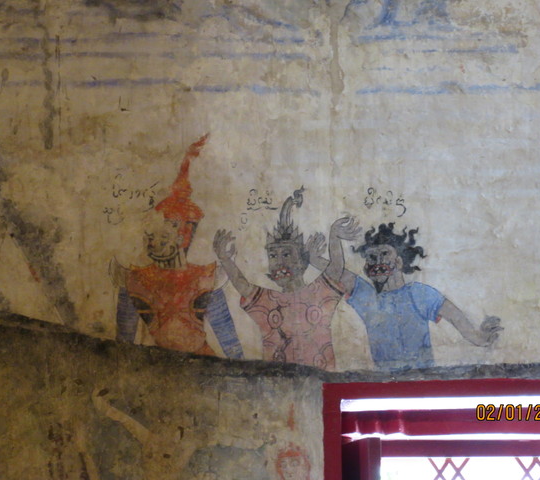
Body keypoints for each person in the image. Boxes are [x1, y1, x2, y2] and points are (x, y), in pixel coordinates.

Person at [110, 134, 242, 358]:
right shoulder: (135, 280)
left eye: (163, 238)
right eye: (150, 238)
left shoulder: (205, 278)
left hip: (202, 362)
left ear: (182, 239)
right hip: (157, 364)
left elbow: (229, 341)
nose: (153, 245)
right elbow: (123, 342)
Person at [308, 222, 502, 370]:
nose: (378, 261)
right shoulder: (367, 297)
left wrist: (482, 338)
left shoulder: (419, 294)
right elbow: (336, 272)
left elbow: (457, 320)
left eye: (385, 254)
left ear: (399, 262)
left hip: (423, 379)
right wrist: (330, 242)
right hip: (384, 383)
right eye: (372, 257)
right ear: (367, 268)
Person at [213, 188, 360, 370]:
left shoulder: (318, 292)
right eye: (273, 256)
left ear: (302, 261)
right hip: (277, 380)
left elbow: (336, 268)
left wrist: (334, 236)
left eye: (286, 254)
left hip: (320, 376)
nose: (279, 262)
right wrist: (226, 260)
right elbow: (242, 285)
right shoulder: (267, 300)